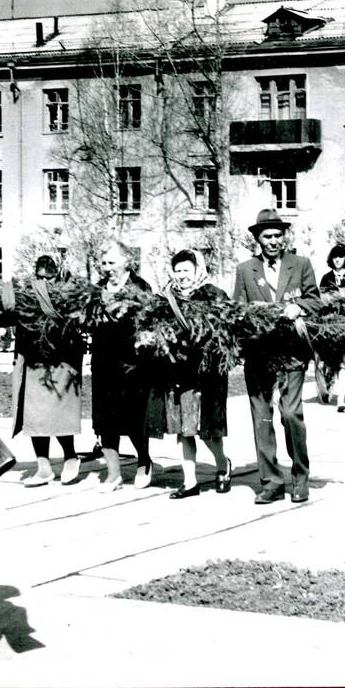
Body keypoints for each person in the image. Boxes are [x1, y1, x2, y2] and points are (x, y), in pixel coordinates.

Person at [233, 209, 322, 504]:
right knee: (261, 419)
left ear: (285, 237)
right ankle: (270, 482)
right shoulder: (246, 270)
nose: (273, 241)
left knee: (291, 415)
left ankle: (299, 478)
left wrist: (300, 306)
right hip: (258, 353)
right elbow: (238, 310)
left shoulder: (301, 264)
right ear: (257, 239)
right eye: (267, 236)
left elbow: (316, 301)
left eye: (278, 235)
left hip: (291, 353)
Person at [0, 255, 83, 488]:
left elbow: (75, 328)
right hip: (34, 363)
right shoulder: (27, 298)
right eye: (38, 277)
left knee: (57, 414)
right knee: (34, 416)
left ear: (55, 276)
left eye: (47, 278)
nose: (42, 282)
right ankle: (43, 467)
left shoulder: (65, 299)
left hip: (59, 365)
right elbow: (6, 317)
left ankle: (70, 456)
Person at [90, 240, 161, 491]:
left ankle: (144, 461)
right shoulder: (97, 289)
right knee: (105, 420)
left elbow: (151, 323)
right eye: (103, 263)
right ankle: (113, 474)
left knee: (133, 418)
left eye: (112, 262)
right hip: (103, 363)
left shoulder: (141, 287)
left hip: (133, 365)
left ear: (126, 261)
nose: (107, 267)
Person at [163, 250, 232, 499]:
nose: (181, 276)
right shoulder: (167, 299)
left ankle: (222, 464)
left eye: (186, 271)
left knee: (208, 431)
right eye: (177, 271)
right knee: (185, 428)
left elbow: (225, 330)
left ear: (197, 270)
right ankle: (190, 481)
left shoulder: (213, 294)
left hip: (208, 372)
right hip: (179, 372)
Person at [318, 243, 345, 412]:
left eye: (341, 257)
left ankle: (341, 399)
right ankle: (336, 390)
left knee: (344, 360)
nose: (337, 260)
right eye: (335, 257)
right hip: (330, 325)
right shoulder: (326, 277)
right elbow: (320, 300)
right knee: (331, 361)